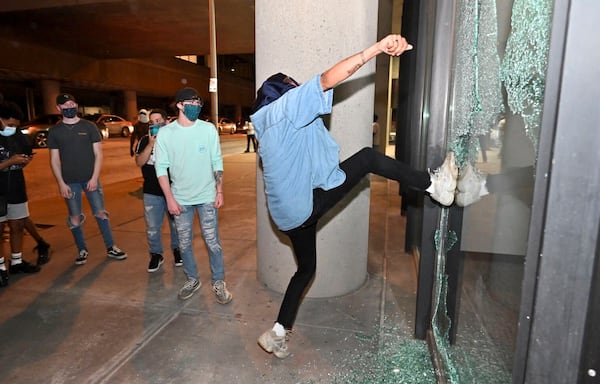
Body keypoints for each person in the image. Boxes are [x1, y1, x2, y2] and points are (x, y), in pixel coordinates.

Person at [250, 34, 458, 358]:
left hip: (284, 218)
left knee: (306, 269)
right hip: (303, 209)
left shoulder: (265, 127)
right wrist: (375, 49)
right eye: (296, 87)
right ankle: (436, 186)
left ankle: (278, 332)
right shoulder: (286, 107)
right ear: (285, 92)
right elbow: (330, 78)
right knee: (367, 159)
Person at [154, 87, 233, 304]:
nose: (196, 106)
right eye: (192, 103)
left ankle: (218, 281)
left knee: (212, 241)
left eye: (199, 103)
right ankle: (192, 279)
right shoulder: (166, 134)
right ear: (179, 105)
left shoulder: (208, 130)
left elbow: (216, 161)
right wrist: (169, 198)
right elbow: (161, 168)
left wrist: (219, 190)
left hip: (207, 195)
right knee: (185, 243)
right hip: (180, 199)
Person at [48, 93, 127, 265]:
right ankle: (82, 250)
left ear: (76, 105)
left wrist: (94, 178)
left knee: (101, 213)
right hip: (70, 182)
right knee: (75, 217)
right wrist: (61, 183)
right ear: (58, 108)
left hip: (91, 179)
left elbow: (98, 154)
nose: (69, 107)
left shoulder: (89, 126)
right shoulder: (55, 131)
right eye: (65, 105)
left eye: (72, 103)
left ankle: (111, 246)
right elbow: (54, 160)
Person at [0, 100, 43, 287]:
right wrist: (9, 162)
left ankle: (16, 261)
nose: (13, 128)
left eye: (16, 126)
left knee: (17, 225)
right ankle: (0, 267)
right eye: (9, 125)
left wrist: (25, 160)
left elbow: (27, 153)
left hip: (17, 186)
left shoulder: (17, 135)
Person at [134, 108, 182, 272]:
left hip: (173, 189)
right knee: (153, 226)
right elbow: (139, 162)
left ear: (166, 122)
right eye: (152, 122)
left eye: (158, 121)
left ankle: (178, 251)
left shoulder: (175, 140)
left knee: (176, 225)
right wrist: (151, 144)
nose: (155, 125)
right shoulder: (143, 141)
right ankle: (156, 254)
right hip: (151, 191)